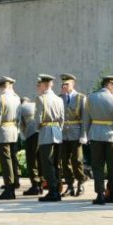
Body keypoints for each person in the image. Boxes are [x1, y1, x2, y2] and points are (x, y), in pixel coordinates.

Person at [84, 74, 113, 206]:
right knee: (112, 166)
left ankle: (100, 194)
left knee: (97, 166)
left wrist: (88, 134)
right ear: (109, 84)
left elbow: (86, 120)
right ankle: (111, 193)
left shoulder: (90, 98)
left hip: (95, 135)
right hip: (111, 136)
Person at [34, 74, 65, 202]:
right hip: (57, 131)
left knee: (47, 163)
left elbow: (38, 119)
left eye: (39, 84)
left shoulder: (41, 99)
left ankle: (52, 191)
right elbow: (62, 119)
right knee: (56, 163)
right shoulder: (59, 99)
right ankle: (57, 190)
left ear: (43, 85)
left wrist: (39, 128)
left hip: (46, 131)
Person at [0, 76, 21, 200]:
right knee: (13, 160)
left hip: (3, 131)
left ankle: (9, 189)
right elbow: (19, 117)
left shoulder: (0, 99)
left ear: (0, 86)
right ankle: (14, 183)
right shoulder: (16, 98)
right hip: (14, 130)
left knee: (6, 161)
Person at [58, 74, 87, 197]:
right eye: (63, 84)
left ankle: (81, 181)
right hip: (64, 133)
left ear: (73, 84)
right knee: (64, 161)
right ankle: (69, 185)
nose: (64, 86)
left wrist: (84, 134)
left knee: (77, 160)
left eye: (67, 84)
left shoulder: (81, 98)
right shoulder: (60, 98)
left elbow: (85, 118)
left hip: (76, 132)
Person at [17, 95, 40, 196]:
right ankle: (41, 183)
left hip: (31, 134)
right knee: (40, 159)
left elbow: (21, 125)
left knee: (31, 160)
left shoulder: (20, 108)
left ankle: (35, 185)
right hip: (42, 133)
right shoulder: (35, 105)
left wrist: (24, 136)